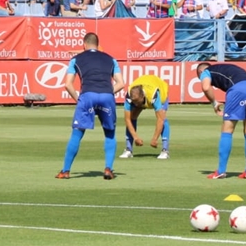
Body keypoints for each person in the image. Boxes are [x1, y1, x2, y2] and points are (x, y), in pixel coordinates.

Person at [56, 33, 125, 180]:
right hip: (107, 96)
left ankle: (65, 171)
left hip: (87, 96)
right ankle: (108, 169)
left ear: (83, 44)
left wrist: (78, 99)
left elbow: (68, 84)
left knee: (77, 133)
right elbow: (121, 83)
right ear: (97, 44)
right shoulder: (111, 59)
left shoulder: (76, 59)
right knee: (110, 133)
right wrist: (106, 92)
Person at [196, 62, 246, 179]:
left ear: (201, 72)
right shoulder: (226, 67)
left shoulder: (206, 71)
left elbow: (206, 87)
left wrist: (214, 103)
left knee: (227, 130)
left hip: (239, 89)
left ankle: (221, 171)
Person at [119, 73, 171, 160]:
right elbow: (127, 120)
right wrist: (136, 137)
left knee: (163, 118)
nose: (135, 104)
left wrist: (154, 139)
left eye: (137, 102)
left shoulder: (154, 95)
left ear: (143, 96)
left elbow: (160, 119)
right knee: (132, 118)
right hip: (143, 93)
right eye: (133, 102)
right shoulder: (129, 96)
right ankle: (128, 149)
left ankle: (165, 150)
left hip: (161, 92)